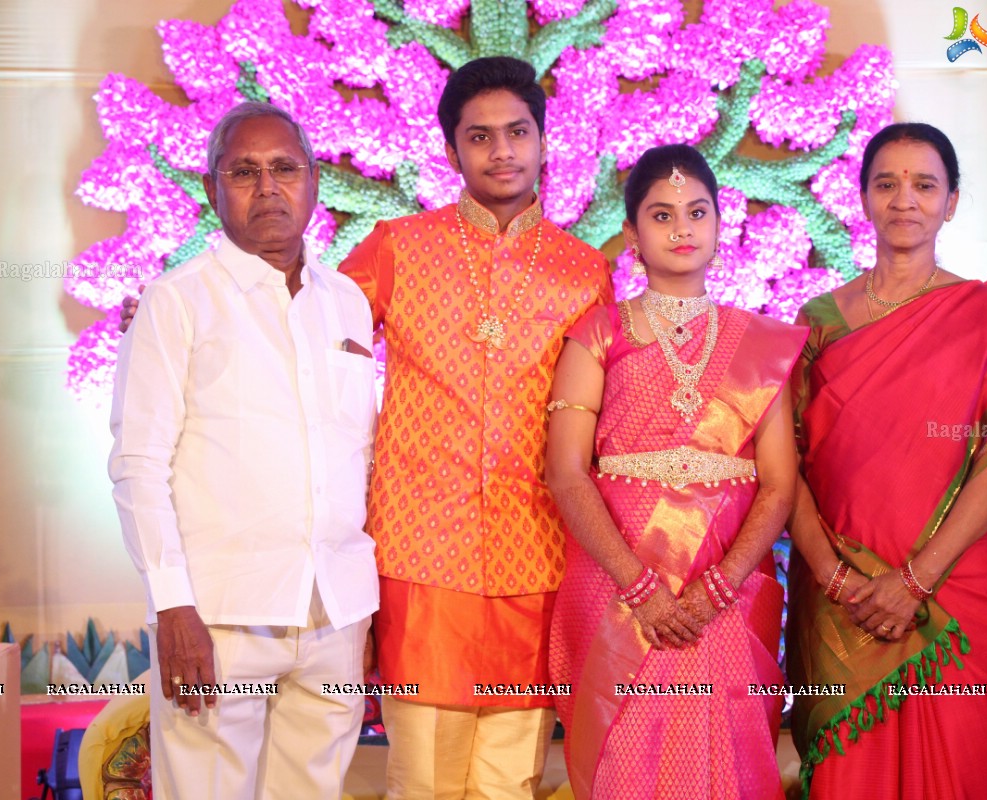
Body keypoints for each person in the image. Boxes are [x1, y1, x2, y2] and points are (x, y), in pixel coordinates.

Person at [337, 57, 613, 799]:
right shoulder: (398, 247)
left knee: (509, 782)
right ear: (451, 150)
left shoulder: (585, 273)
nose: (502, 151)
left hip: (536, 554)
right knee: (421, 777)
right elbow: (308, 340)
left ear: (545, 142)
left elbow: (612, 409)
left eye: (518, 132)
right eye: (480, 136)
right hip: (421, 554)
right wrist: (196, 326)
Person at [784, 122, 987, 799]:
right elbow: (784, 468)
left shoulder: (980, 314)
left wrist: (915, 581)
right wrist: (835, 580)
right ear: (861, 198)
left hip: (958, 590)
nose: (904, 200)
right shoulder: (818, 321)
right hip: (844, 599)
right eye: (886, 183)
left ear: (950, 201)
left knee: (963, 767)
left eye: (924, 185)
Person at [109, 102, 379, 799]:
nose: (268, 188)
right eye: (244, 172)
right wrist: (172, 608)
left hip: (334, 611)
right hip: (217, 618)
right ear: (212, 189)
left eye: (285, 169)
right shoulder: (178, 301)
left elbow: (361, 451)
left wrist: (366, 608)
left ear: (314, 181)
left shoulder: (346, 301)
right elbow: (139, 463)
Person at [545, 144, 808, 799]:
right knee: (624, 765)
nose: (682, 228)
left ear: (721, 222)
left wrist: (716, 589)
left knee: (730, 762)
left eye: (697, 212)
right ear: (632, 234)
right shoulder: (598, 334)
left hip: (727, 591)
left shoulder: (762, 343)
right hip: (617, 588)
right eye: (661, 216)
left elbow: (778, 484)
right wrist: (641, 590)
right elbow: (567, 475)